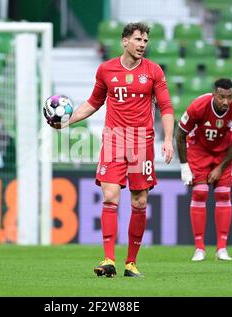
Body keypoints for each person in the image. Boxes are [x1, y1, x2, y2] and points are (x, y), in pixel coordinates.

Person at [46, 22, 175, 277]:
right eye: (138, 40)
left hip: (141, 141)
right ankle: (108, 259)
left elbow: (166, 107)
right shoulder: (106, 70)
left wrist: (168, 139)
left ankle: (131, 263)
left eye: (145, 41)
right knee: (110, 196)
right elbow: (94, 102)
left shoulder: (153, 71)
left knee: (139, 201)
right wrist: (67, 121)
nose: (142, 45)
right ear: (125, 41)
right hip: (114, 139)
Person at [176, 78, 232, 261]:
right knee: (200, 193)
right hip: (199, 151)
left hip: (223, 153)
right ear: (214, 95)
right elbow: (180, 135)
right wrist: (184, 166)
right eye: (221, 97)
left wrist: (221, 167)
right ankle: (199, 248)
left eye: (229, 97)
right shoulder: (198, 106)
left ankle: (222, 249)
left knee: (224, 195)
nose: (225, 102)